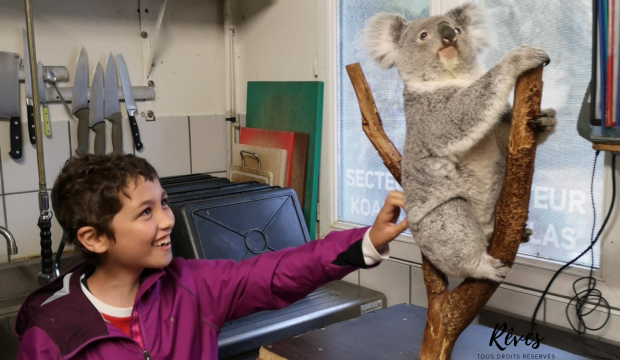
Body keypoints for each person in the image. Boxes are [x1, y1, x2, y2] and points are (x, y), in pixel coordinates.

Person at [14, 154, 408, 359]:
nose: (168, 220)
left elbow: (275, 273)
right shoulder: (52, 333)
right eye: (146, 212)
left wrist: (366, 242)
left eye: (163, 203)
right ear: (94, 238)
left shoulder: (192, 286)